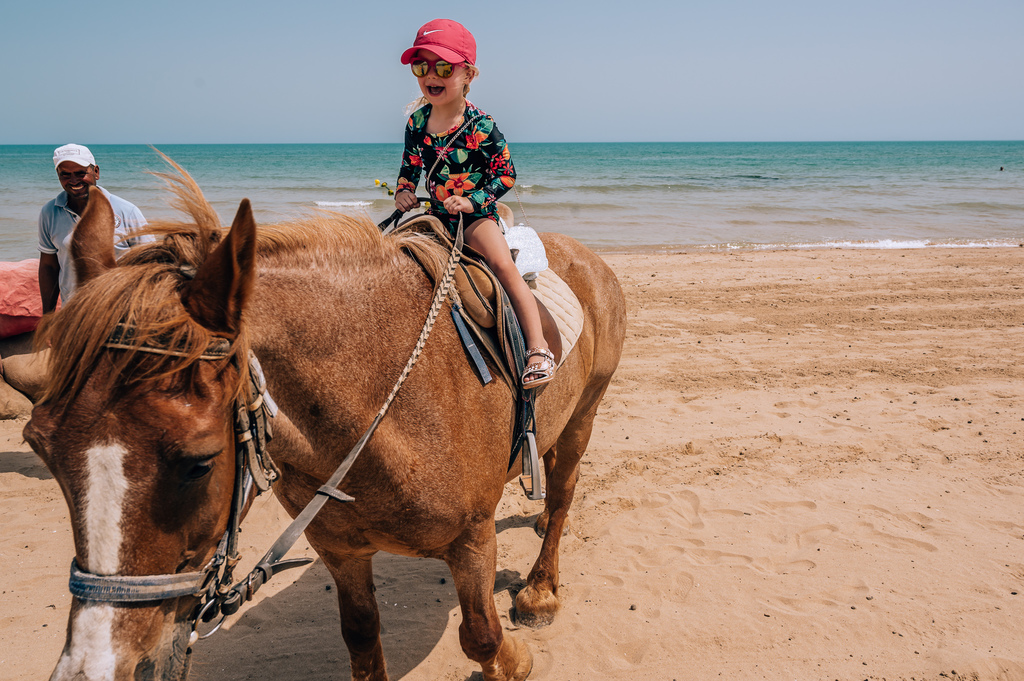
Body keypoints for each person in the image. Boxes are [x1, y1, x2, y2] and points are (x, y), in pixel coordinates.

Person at [394, 19, 555, 389]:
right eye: (422, 66)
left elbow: (507, 174)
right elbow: (410, 167)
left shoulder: (482, 126)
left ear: (468, 73)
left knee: (502, 267)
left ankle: (537, 349)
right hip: (433, 216)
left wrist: (473, 201)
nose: (431, 75)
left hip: (475, 218)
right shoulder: (417, 122)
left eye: (444, 67)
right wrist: (403, 191)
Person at [38, 144, 151, 313]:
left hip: (122, 312)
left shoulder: (127, 211)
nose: (74, 180)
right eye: (65, 175)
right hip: (74, 312)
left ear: (96, 172)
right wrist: (48, 317)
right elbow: (49, 266)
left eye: (80, 173)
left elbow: (150, 264)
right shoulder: (50, 212)